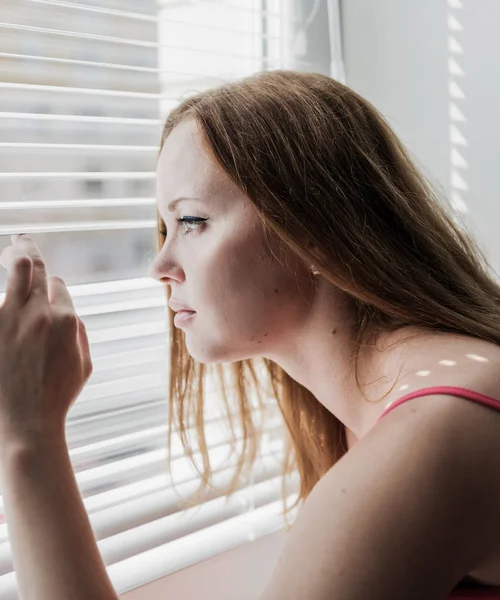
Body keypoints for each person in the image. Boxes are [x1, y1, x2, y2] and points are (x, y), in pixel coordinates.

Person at [1, 70, 500, 599]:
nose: (161, 264)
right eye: (165, 229)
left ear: (316, 232)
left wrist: (28, 436)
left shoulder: (428, 440)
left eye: (192, 221)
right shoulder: (393, 412)